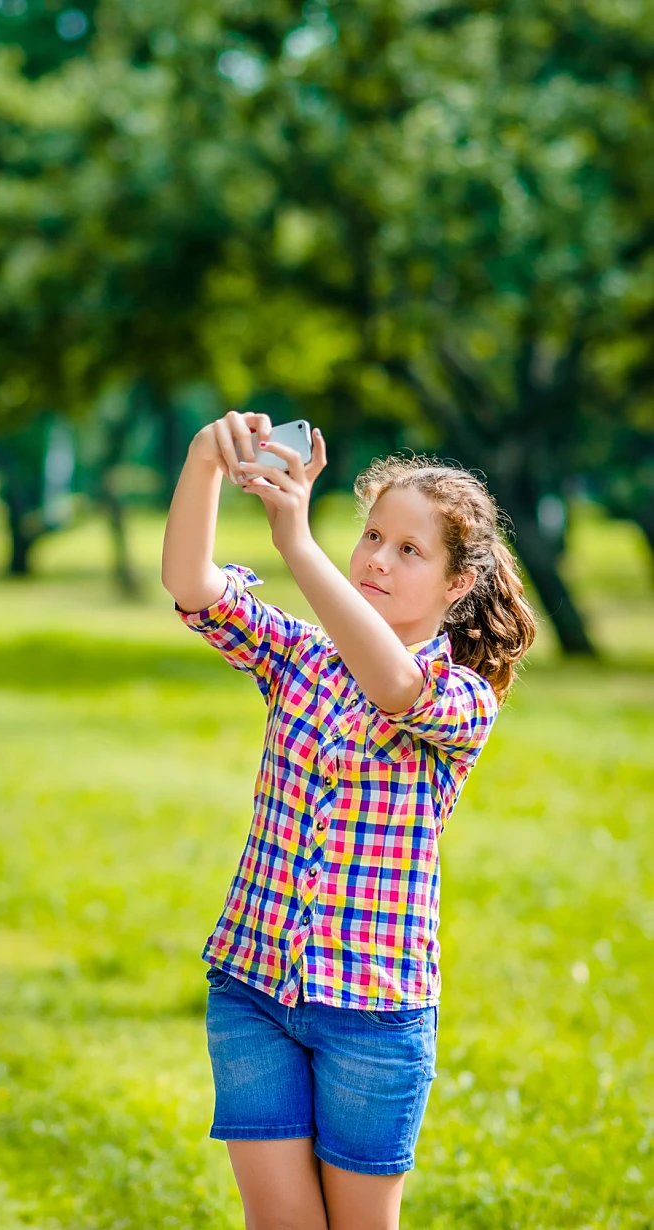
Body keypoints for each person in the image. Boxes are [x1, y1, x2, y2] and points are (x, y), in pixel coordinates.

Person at [161, 411, 536, 1230]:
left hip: (373, 1015)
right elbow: (192, 587)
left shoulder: (462, 701)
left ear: (457, 585)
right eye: (371, 536)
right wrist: (203, 461)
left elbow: (395, 687)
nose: (377, 559)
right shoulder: (299, 656)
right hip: (254, 987)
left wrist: (297, 544)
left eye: (409, 550)